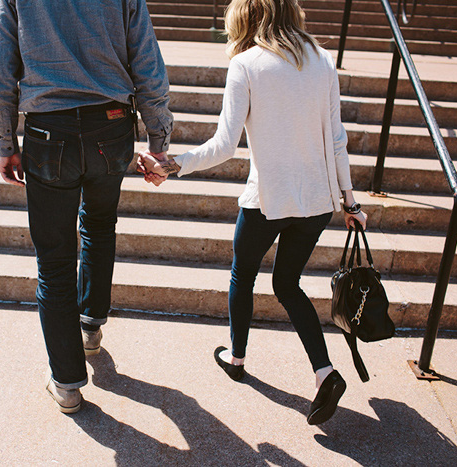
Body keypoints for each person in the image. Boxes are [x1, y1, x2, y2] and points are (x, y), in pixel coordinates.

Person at [139, 0, 367, 425]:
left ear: (246, 16)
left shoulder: (246, 64)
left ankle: (237, 357)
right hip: (317, 202)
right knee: (288, 284)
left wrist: (173, 164)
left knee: (243, 275)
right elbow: (338, 138)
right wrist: (350, 201)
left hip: (267, 201)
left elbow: (224, 146)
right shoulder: (322, 60)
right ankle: (325, 372)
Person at [0, 0, 173, 414]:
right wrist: (158, 140)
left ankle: (67, 382)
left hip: (49, 128)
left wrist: (5, 141)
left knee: (53, 260)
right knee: (100, 225)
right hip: (111, 122)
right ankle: (90, 325)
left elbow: (1, 67)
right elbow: (147, 59)